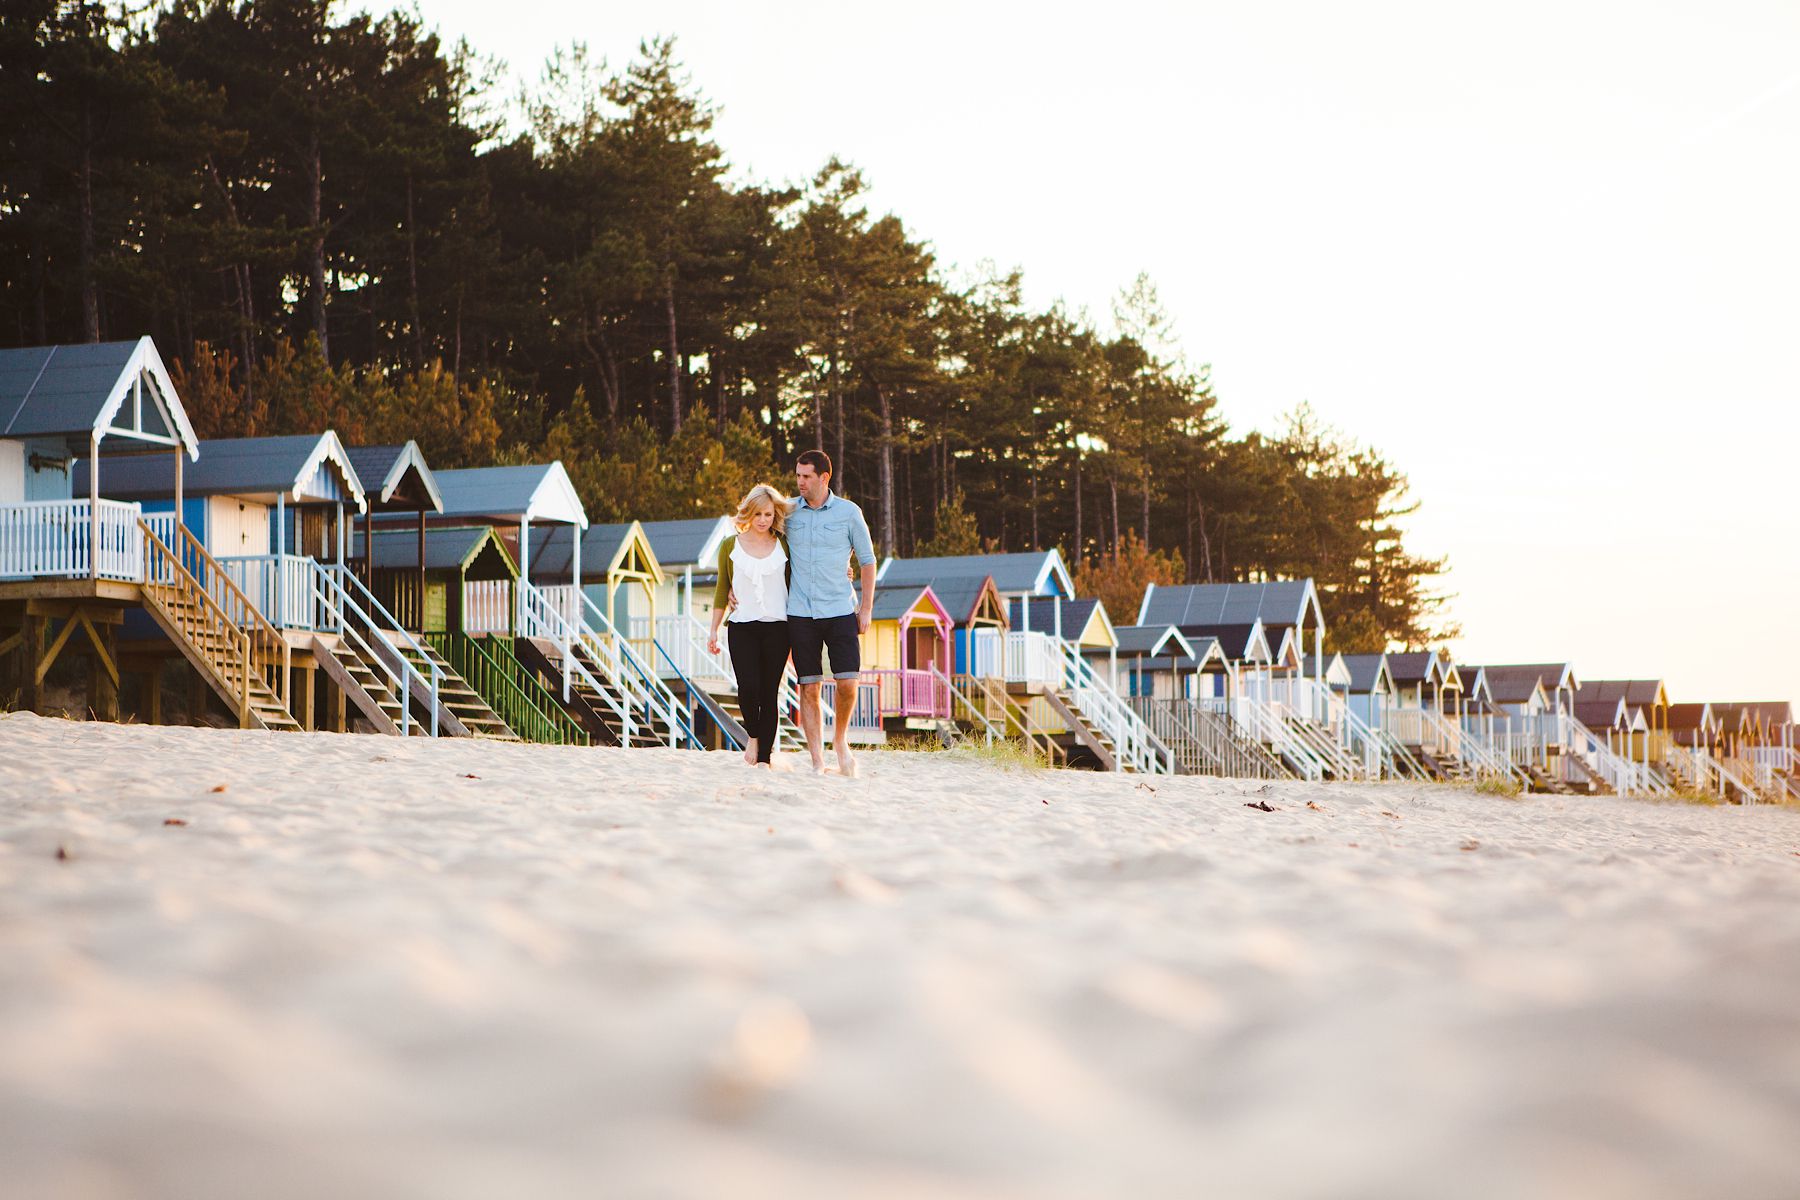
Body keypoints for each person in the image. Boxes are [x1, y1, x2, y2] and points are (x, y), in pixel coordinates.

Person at [783, 450, 876, 777]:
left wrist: (865, 608)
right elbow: (759, 538)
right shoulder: (788, 512)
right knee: (809, 685)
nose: (800, 482)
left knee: (848, 681)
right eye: (797, 475)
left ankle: (840, 741)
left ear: (824, 478)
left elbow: (867, 561)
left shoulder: (849, 513)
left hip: (839, 608)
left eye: (806, 476)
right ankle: (817, 761)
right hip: (800, 612)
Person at [707, 484, 792, 769]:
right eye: (757, 514)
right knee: (748, 687)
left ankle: (765, 759)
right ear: (748, 513)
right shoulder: (730, 546)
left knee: (769, 693)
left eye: (768, 514)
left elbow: (801, 579)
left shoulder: (784, 544)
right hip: (742, 627)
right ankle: (753, 736)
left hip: (778, 628)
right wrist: (713, 630)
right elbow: (722, 589)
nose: (763, 520)